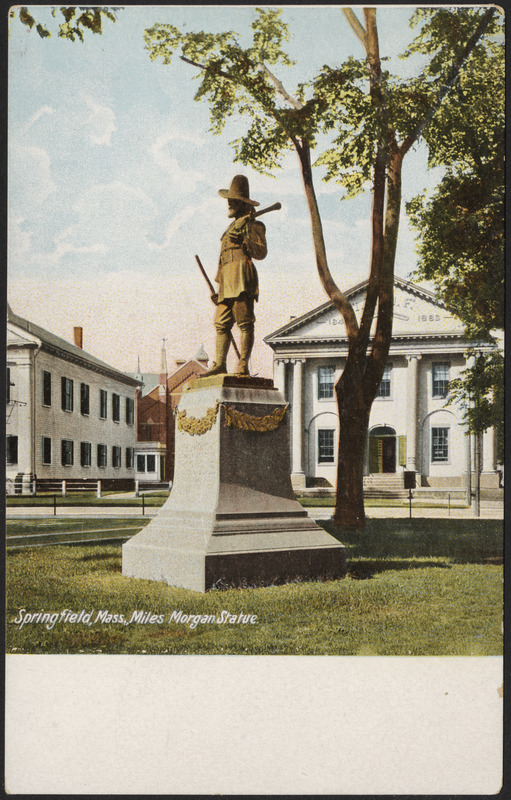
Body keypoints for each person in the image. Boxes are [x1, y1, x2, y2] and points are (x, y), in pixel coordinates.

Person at [202, 174, 267, 377]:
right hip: (226, 282)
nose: (229, 204)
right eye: (228, 200)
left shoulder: (253, 225)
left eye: (232, 200)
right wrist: (219, 289)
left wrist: (245, 239)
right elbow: (223, 261)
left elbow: (261, 253)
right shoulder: (228, 229)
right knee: (221, 323)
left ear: (242, 203)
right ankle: (220, 364)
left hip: (242, 278)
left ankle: (242, 365)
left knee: (245, 322)